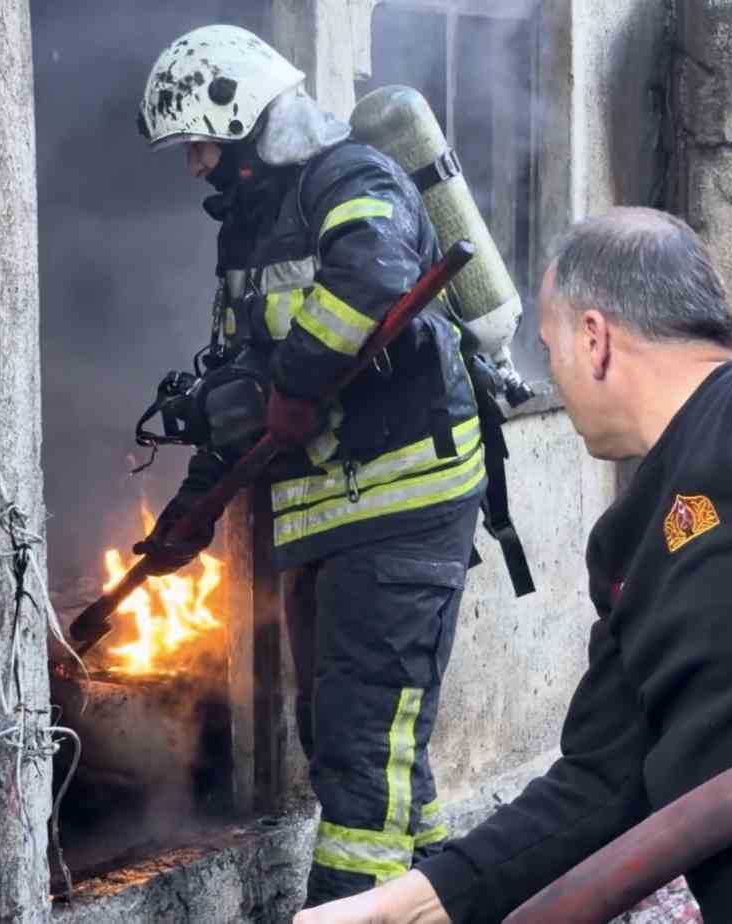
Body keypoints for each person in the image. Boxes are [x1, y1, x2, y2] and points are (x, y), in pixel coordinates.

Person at [295, 207, 732, 923]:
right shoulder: (625, 544)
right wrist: (405, 904)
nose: (553, 371)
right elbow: (600, 782)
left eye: (548, 349)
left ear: (594, 339)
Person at [129, 25, 490, 907]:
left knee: (365, 750)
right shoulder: (247, 231)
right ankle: (458, 896)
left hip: (407, 503)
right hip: (329, 516)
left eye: (201, 143)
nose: (196, 167)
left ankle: (344, 908)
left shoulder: (351, 177)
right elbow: (239, 384)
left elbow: (371, 279)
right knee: (347, 738)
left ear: (243, 116)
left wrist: (295, 383)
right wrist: (195, 504)